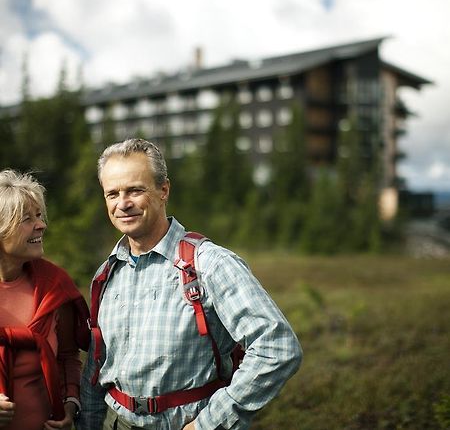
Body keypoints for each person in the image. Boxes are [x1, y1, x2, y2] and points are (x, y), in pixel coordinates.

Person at [78, 138, 302, 430]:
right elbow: (97, 369)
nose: (123, 203)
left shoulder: (210, 264)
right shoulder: (107, 274)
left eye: (135, 190)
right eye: (112, 194)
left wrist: (209, 422)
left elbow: (278, 348)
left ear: (163, 191)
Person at [0, 169, 90, 430]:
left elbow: (67, 356)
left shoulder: (55, 286)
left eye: (39, 215)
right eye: (27, 219)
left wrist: (70, 405)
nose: (41, 225)